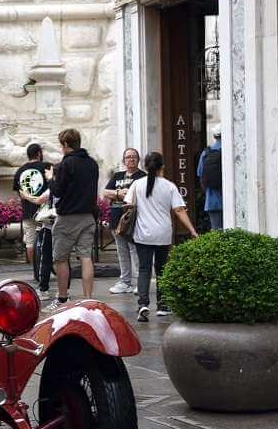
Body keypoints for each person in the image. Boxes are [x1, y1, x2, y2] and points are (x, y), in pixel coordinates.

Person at [126, 152, 198, 322]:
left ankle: (143, 304)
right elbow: (179, 210)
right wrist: (192, 230)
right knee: (162, 269)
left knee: (144, 269)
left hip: (143, 234)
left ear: (145, 166)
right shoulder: (169, 186)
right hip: (163, 234)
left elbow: (129, 204)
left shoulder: (137, 184)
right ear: (162, 167)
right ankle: (163, 306)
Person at [32, 129, 99, 311]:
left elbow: (57, 191)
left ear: (66, 144)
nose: (61, 148)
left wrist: (50, 178)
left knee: (61, 259)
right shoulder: (92, 163)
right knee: (86, 257)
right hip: (88, 216)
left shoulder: (66, 164)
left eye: (61, 145)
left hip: (67, 218)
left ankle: (62, 299)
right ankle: (88, 300)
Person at [103, 148, 146, 295]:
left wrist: (125, 195)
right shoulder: (117, 176)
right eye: (128, 157)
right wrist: (118, 193)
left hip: (133, 219)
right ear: (124, 161)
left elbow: (141, 195)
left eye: (134, 157)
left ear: (138, 160)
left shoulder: (142, 176)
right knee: (122, 252)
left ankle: (140, 282)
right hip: (116, 219)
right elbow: (105, 192)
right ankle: (125, 282)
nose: (131, 159)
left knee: (135, 251)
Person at [12, 144, 50, 267]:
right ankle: (47, 266)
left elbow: (20, 193)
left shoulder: (20, 171)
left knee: (30, 242)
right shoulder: (47, 167)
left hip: (28, 211)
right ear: (39, 153)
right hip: (46, 212)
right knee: (50, 239)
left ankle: (35, 269)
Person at [198, 125, 224, 230]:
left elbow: (201, 175)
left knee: (217, 232)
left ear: (214, 136)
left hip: (212, 201)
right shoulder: (229, 150)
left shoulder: (206, 153)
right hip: (231, 200)